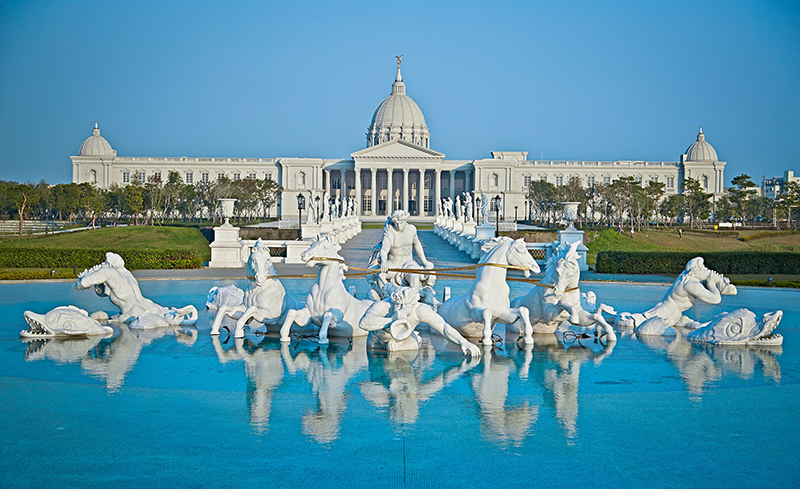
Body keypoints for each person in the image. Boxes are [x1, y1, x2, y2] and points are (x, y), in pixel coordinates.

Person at [372, 210, 435, 294]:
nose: (398, 225)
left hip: (408, 264)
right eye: (396, 223)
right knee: (380, 275)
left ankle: (414, 299)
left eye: (401, 223)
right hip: (393, 265)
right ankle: (387, 299)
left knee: (414, 276)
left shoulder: (412, 229)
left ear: (406, 221)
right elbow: (384, 249)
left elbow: (417, 245)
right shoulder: (390, 231)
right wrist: (384, 262)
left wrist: (425, 261)